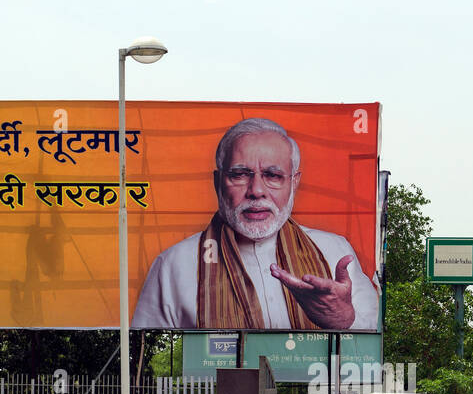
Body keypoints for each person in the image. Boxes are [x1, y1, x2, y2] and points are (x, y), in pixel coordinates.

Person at [132, 118, 379, 331]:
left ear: (294, 182)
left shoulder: (335, 252)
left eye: (273, 176)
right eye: (239, 175)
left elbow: (375, 337)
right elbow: (148, 358)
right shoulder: (173, 265)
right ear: (218, 182)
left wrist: (345, 319)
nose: (256, 191)